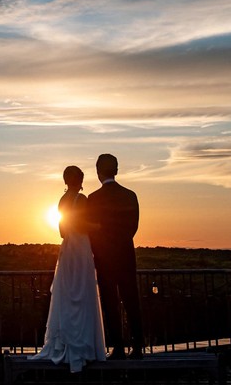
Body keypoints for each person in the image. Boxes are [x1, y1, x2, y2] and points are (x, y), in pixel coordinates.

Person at [29, 165, 107, 373]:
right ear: (79, 179)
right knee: (82, 294)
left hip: (67, 251)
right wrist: (100, 227)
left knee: (69, 295)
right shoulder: (82, 200)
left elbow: (63, 232)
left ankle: (66, 343)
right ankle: (82, 345)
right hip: (80, 250)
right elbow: (83, 225)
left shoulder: (62, 201)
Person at [87, 153, 145, 359]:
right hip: (126, 256)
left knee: (110, 302)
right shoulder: (130, 195)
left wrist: (100, 249)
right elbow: (133, 227)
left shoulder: (93, 199)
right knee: (132, 300)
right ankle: (138, 346)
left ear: (98, 172)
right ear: (117, 170)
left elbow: (91, 230)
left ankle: (118, 347)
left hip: (104, 258)